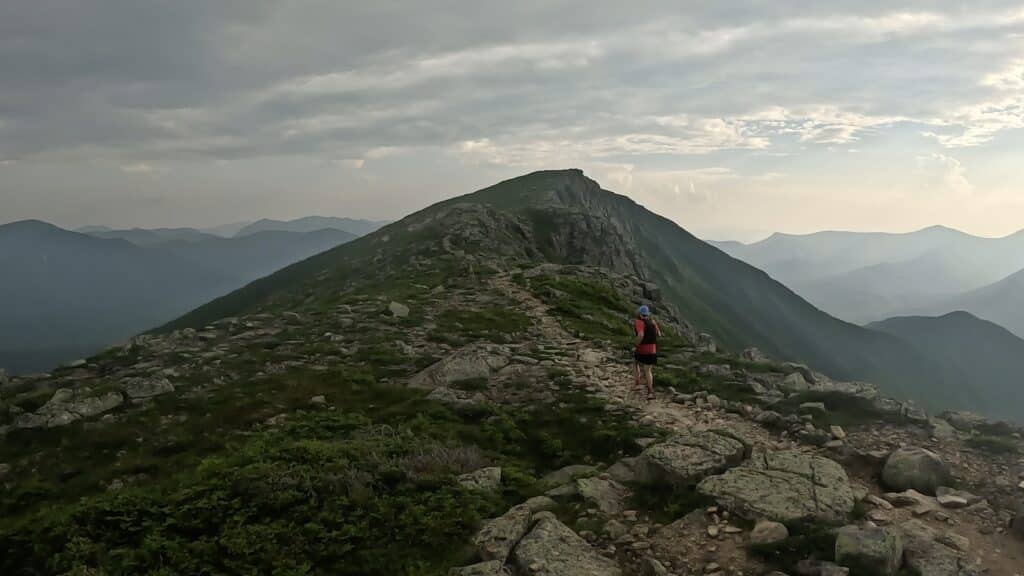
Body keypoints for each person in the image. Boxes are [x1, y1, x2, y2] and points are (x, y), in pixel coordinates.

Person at [633, 305, 660, 400]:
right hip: (652, 349)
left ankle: (637, 383)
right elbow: (659, 334)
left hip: (642, 349)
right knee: (648, 370)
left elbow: (640, 335)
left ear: (640, 314)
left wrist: (635, 345)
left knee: (636, 363)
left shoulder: (639, 322)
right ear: (647, 314)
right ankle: (650, 391)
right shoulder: (653, 322)